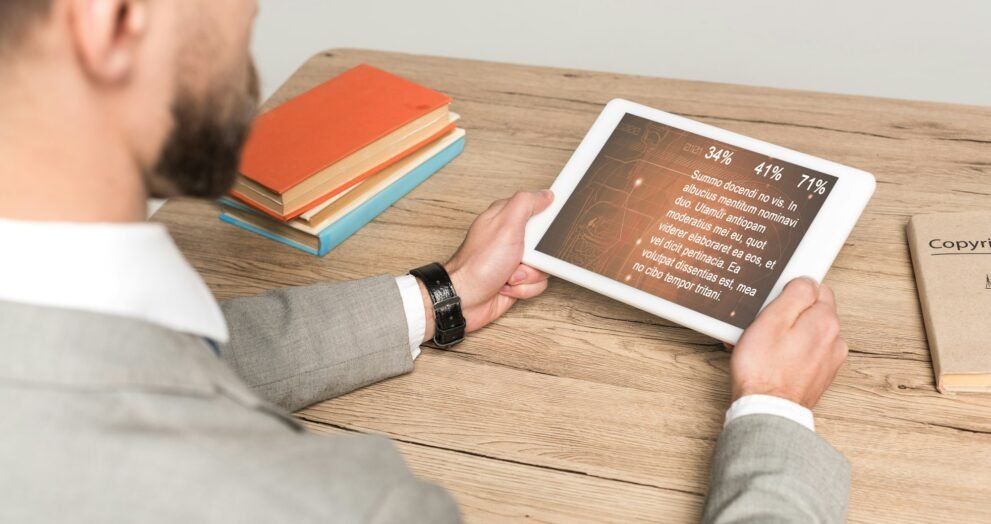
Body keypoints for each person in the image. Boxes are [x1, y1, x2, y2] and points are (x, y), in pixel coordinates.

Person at [0, 1, 851, 522]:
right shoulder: (323, 505)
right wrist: (774, 421)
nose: (249, 15)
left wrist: (434, 298)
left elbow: (114, 361)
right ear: (112, 20)